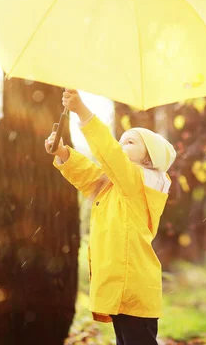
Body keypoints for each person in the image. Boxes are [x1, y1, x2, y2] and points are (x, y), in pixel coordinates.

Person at [45, 89, 176, 345]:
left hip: (133, 285)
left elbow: (109, 154)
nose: (120, 145)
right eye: (122, 140)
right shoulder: (118, 185)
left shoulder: (140, 182)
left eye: (130, 142)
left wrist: (82, 111)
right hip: (123, 286)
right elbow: (89, 175)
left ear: (149, 158)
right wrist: (63, 152)